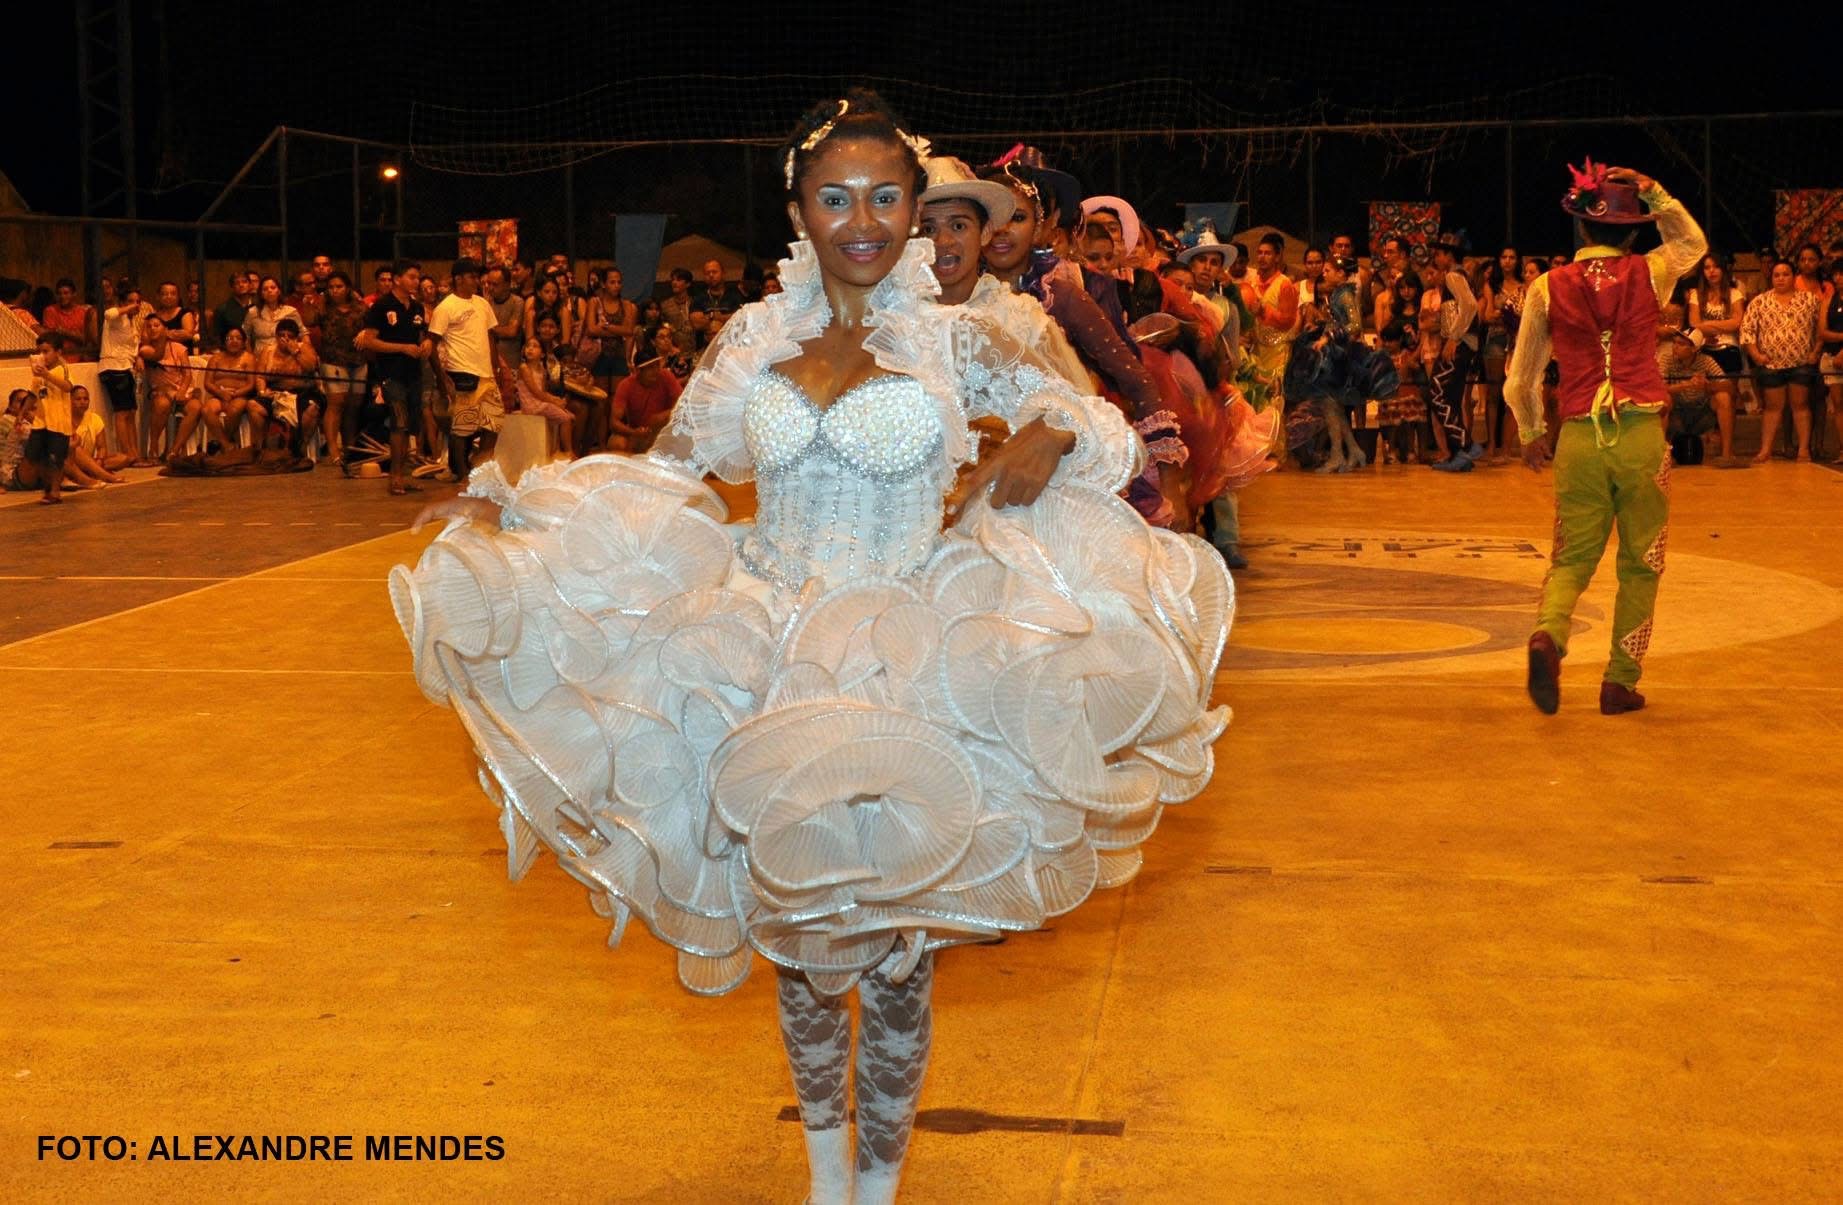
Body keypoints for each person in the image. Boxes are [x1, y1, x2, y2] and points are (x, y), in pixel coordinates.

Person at [392, 91, 1228, 1205]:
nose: (863, 221)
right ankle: (826, 1180)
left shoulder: (957, 335)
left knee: (898, 962)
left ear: (916, 208)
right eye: (836, 197)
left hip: (907, 652)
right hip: (769, 650)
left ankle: (876, 1188)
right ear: (798, 210)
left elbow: (1105, 421)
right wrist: (516, 508)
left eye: (886, 197)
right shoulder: (752, 336)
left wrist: (1049, 428)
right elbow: (667, 470)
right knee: (801, 947)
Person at [1507, 162, 1706, 716]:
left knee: (1571, 558)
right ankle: (1620, 681)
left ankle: (1549, 635)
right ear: (1632, 234)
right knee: (1642, 562)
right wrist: (1655, 191)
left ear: (1581, 227)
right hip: (1640, 436)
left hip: (1577, 436)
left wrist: (1530, 430)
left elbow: (1520, 377)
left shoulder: (1545, 287)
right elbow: (1692, 243)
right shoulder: (1652, 271)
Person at [354, 260, 431, 495]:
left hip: (413, 374)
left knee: (410, 426)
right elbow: (369, 341)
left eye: (417, 277)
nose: (416, 281)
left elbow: (420, 336)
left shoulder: (417, 307)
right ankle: (395, 477)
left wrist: (426, 343)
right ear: (398, 279)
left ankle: (403, 474)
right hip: (391, 374)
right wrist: (401, 348)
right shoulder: (382, 306)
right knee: (399, 422)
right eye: (411, 277)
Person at [426, 258, 504, 484]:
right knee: (462, 426)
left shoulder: (482, 303)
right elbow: (431, 344)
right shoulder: (445, 307)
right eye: (472, 277)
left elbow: (490, 336)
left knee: (494, 423)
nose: (476, 281)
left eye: (477, 277)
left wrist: (496, 366)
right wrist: (442, 378)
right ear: (458, 279)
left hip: (486, 374)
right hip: (461, 372)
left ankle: (479, 465)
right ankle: (461, 473)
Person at [1740, 258, 1822, 463]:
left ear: (1794, 276)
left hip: (1801, 362)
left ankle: (1804, 449)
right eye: (1776, 275)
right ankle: (1765, 450)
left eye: (1785, 274)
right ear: (1771, 277)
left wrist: (1815, 352)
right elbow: (1747, 331)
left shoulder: (1810, 300)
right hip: (1770, 363)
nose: (1781, 278)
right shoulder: (1759, 301)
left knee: (1800, 405)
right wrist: (1756, 355)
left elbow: (1820, 329)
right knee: (1772, 408)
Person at [1425, 234, 1481, 470]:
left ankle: (1466, 444)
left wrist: (1454, 338)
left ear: (1449, 256)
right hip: (1464, 344)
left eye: (1439, 254)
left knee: (1436, 393)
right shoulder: (1460, 276)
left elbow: (1470, 305)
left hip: (1460, 344)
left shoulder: (1453, 276)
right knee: (1451, 397)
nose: (1436, 258)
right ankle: (1459, 455)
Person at [1684, 253, 1745, 464]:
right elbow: (1694, 323)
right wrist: (1718, 326)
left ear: (1723, 269)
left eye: (1716, 267)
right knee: (1706, 396)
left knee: (1728, 397)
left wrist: (1708, 326)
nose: (1712, 271)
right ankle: (1707, 439)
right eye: (1707, 267)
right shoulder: (1696, 294)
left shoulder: (1735, 293)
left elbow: (1737, 323)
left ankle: (1728, 449)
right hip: (1704, 350)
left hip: (1729, 350)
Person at [97, 280, 153, 465]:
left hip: (125, 368)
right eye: (130, 301)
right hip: (113, 367)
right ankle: (127, 455)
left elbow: (132, 347)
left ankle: (134, 453)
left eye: (138, 302)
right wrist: (127, 308)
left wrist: (138, 357)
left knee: (131, 412)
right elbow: (108, 313)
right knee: (121, 413)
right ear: (122, 302)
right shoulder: (116, 316)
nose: (135, 305)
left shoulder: (131, 322)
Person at [254, 318, 322, 458]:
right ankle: (260, 448)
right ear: (276, 336)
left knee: (312, 408)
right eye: (281, 335)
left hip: (303, 392)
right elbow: (260, 376)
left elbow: (311, 367)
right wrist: (262, 391)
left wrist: (295, 352)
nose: (284, 339)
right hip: (275, 392)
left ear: (296, 338)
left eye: (289, 336)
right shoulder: (268, 351)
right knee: (253, 406)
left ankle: (300, 446)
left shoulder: (304, 348)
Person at [318, 271, 368, 463]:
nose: (335, 290)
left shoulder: (360, 308)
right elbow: (308, 319)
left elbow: (373, 326)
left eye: (339, 286)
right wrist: (314, 302)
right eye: (331, 287)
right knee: (336, 403)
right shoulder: (324, 308)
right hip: (333, 360)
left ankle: (349, 446)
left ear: (347, 288)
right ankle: (333, 449)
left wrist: (365, 332)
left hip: (358, 359)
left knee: (354, 406)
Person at [1658, 329, 1724, 465]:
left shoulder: (1706, 360)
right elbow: (1659, 387)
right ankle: (1661, 455)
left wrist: (1707, 385)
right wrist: (1686, 385)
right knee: (1664, 399)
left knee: (1724, 397)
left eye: (1681, 344)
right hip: (1676, 413)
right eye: (1674, 342)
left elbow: (1728, 384)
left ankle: (1726, 454)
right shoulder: (1666, 359)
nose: (1675, 347)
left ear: (1694, 349)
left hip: (1702, 413)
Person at [26, 334, 77, 504]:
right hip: (41, 422)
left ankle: (55, 491)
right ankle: (47, 486)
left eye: (46, 351)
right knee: (36, 456)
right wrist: (21, 414)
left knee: (56, 458)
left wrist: (47, 375)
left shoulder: (63, 369)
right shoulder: (38, 373)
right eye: (40, 351)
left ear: (58, 352)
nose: (43, 355)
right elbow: (33, 394)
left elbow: (68, 387)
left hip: (58, 423)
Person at [605, 341, 680, 452]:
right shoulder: (626, 385)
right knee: (616, 443)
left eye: (657, 366)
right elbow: (614, 422)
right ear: (638, 371)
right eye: (650, 368)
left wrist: (660, 418)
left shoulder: (666, 376)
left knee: (661, 419)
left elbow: (682, 404)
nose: (655, 371)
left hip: (664, 432)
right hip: (638, 434)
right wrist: (634, 432)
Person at [139, 314, 196, 461]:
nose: (152, 329)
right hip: (160, 391)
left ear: (165, 328)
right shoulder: (145, 349)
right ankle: (153, 447)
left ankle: (174, 450)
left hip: (180, 389)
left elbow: (187, 374)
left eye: (156, 325)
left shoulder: (179, 348)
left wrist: (182, 391)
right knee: (162, 404)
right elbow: (157, 356)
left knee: (196, 407)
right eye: (149, 326)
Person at [511, 334, 575, 453]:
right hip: (532, 406)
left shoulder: (542, 370)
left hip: (540, 403)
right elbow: (536, 393)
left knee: (570, 415)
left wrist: (557, 400)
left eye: (535, 346)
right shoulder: (524, 368)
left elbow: (543, 392)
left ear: (542, 354)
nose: (530, 349)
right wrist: (555, 401)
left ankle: (556, 450)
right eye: (528, 346)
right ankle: (569, 451)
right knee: (566, 418)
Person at [203, 325, 259, 451]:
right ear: (224, 341)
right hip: (218, 395)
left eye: (238, 338)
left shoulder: (249, 358)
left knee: (234, 410)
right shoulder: (215, 358)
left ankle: (221, 443)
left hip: (240, 395)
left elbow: (251, 384)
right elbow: (207, 383)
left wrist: (233, 394)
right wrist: (220, 393)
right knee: (206, 410)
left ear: (244, 342)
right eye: (230, 338)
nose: (234, 341)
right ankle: (227, 445)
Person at [64, 386, 127, 486]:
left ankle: (92, 471)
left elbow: (102, 447)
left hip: (91, 461)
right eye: (78, 399)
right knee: (76, 449)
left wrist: (99, 460)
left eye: (85, 399)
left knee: (123, 458)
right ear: (70, 400)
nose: (82, 402)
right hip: (70, 461)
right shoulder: (64, 419)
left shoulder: (95, 418)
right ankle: (105, 476)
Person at [242, 276, 299, 359]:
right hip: (260, 358)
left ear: (279, 291)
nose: (269, 291)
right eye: (265, 289)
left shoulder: (291, 311)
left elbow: (303, 334)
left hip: (286, 357)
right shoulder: (252, 312)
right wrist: (250, 356)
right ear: (261, 294)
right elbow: (244, 335)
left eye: (273, 287)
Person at [41, 279, 97, 361]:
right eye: (59, 293)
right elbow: (50, 339)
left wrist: (66, 333)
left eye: (66, 293)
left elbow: (87, 340)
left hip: (80, 359)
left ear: (74, 294)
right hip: (58, 359)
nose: (62, 296)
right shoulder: (50, 311)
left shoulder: (83, 312)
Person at [148, 281, 199, 351]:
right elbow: (146, 338)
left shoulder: (185, 313)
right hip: (157, 354)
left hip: (183, 354)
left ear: (178, 297)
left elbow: (188, 334)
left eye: (173, 294)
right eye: (165, 294)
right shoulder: (151, 317)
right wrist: (174, 334)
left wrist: (161, 334)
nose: (169, 297)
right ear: (158, 297)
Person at [212, 271, 257, 349]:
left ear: (250, 285)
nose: (241, 285)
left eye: (244, 282)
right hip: (231, 350)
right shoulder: (223, 309)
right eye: (237, 283)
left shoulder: (257, 307)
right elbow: (217, 336)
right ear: (232, 287)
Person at [660, 267, 698, 353]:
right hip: (673, 350)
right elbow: (661, 326)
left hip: (695, 349)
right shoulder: (665, 305)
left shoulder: (695, 303)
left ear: (688, 284)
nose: (674, 283)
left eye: (678, 280)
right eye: (673, 280)